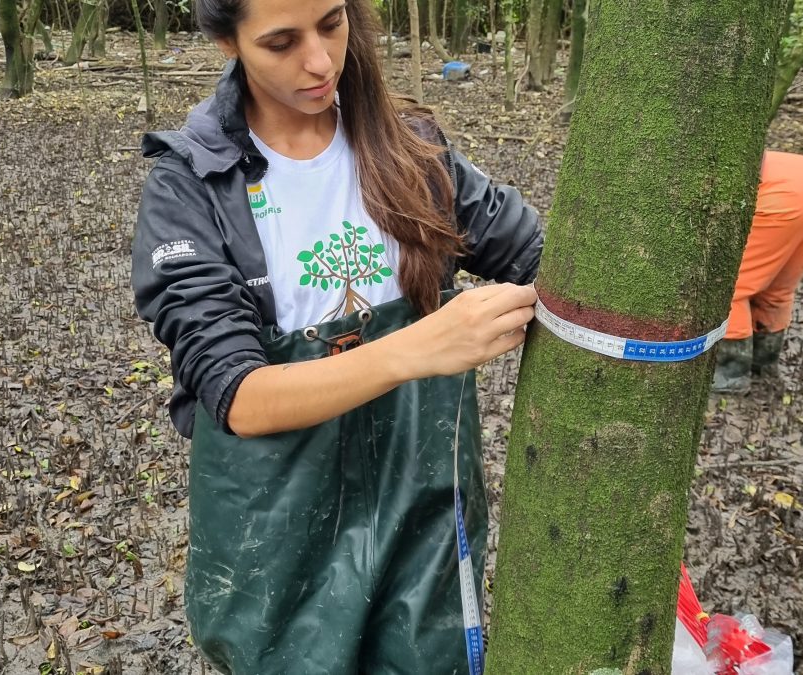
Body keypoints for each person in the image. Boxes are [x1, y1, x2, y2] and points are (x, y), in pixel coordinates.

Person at [130, 1, 542, 672]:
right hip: (276, 541)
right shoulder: (191, 187)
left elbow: (533, 255)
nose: (320, 61)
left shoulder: (408, 147)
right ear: (226, 43)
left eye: (330, 23)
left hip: (425, 526)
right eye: (281, 42)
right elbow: (238, 394)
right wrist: (418, 347)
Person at [712, 151, 803, 393]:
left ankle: (731, 374)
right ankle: (764, 365)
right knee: (777, 287)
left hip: (781, 190)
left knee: (734, 287)